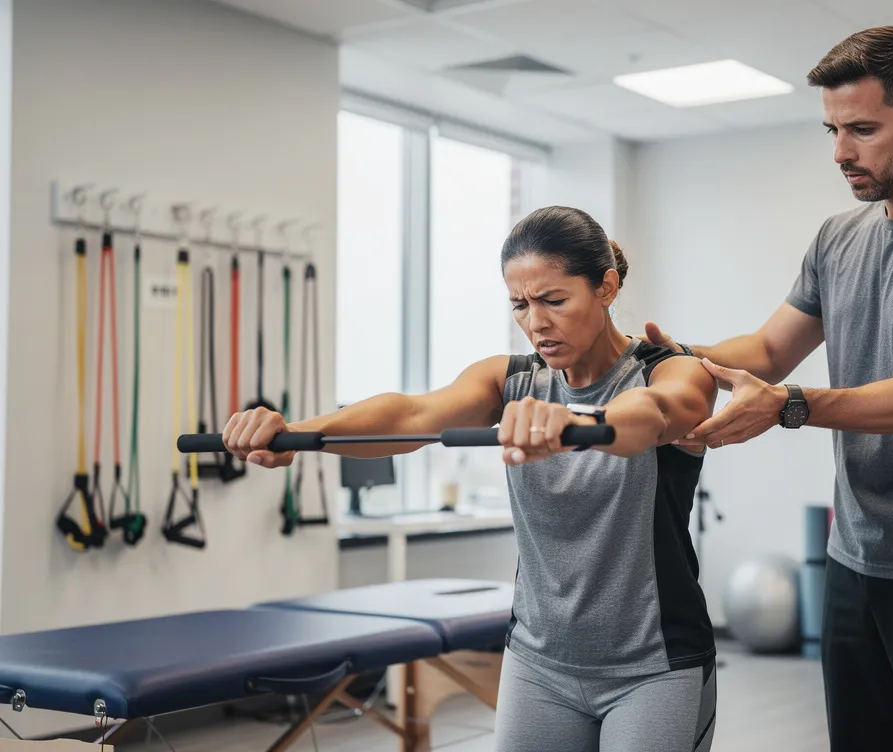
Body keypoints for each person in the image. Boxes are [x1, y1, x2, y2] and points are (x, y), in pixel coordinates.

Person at [643, 26, 893, 752]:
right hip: (857, 557)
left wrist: (793, 405)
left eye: (862, 129)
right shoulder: (837, 239)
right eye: (831, 129)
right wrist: (669, 359)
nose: (840, 152)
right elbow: (768, 349)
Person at [222, 205, 720, 752]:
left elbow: (653, 415)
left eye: (554, 301)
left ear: (605, 287)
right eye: (520, 305)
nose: (536, 323)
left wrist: (579, 423)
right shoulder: (511, 379)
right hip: (539, 663)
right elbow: (412, 416)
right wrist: (297, 433)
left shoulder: (669, 369)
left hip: (655, 665)